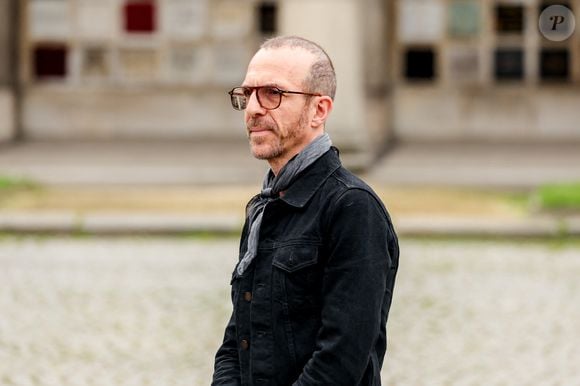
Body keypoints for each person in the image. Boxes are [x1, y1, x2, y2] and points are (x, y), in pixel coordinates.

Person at [212, 35, 399, 386]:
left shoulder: (352, 207)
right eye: (247, 94)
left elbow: (341, 360)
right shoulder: (265, 204)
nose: (253, 108)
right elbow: (238, 337)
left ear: (319, 110)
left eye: (272, 93)